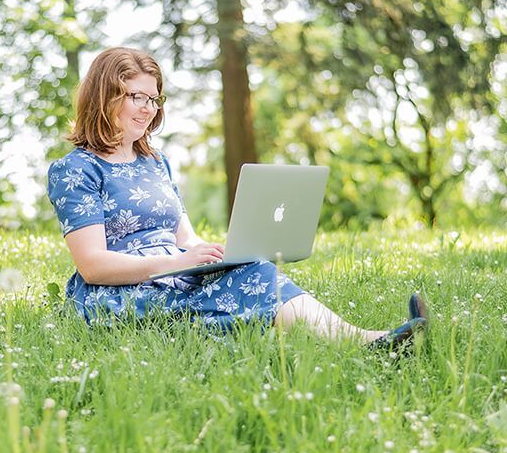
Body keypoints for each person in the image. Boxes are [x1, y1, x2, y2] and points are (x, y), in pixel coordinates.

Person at [47, 46, 428, 348]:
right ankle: (367, 344)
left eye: (155, 99)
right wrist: (173, 263)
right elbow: (92, 265)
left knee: (251, 268)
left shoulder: (155, 162)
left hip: (172, 276)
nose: (149, 109)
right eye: (137, 97)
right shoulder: (77, 169)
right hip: (116, 296)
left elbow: (186, 240)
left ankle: (365, 341)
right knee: (254, 284)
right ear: (104, 97)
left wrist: (216, 256)